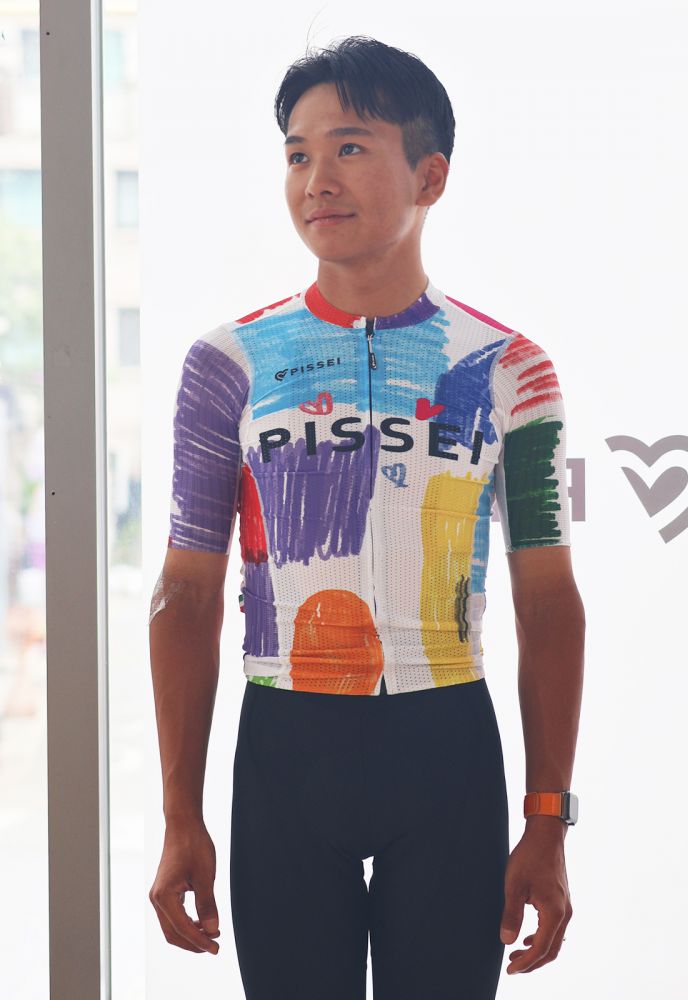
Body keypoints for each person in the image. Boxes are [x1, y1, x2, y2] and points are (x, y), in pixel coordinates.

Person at [148, 35, 585, 1000]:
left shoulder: (512, 370)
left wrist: (548, 818)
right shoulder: (227, 364)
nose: (317, 179)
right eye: (297, 154)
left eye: (349, 146)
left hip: (448, 749)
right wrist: (180, 812)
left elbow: (550, 603)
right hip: (285, 750)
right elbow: (186, 591)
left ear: (430, 175)